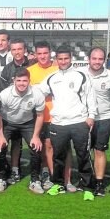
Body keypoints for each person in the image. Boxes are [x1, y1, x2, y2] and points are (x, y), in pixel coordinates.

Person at [37, 46, 97, 201]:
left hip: (79, 122)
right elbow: (38, 92)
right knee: (58, 156)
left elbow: (91, 97)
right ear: (56, 60)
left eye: (66, 58)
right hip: (58, 123)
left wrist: (91, 116)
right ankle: (58, 184)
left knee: (83, 155)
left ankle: (88, 187)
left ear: (71, 58)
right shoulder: (52, 77)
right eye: (60, 59)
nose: (63, 61)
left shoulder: (81, 75)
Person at [27, 41, 74, 192]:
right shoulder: (30, 71)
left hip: (59, 117)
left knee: (64, 149)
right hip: (40, 117)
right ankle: (51, 177)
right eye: (39, 53)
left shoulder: (58, 69)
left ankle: (67, 180)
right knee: (45, 147)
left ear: (50, 53)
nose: (42, 56)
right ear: (35, 54)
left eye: (45, 53)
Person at [0, 69, 45, 193]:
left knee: (36, 147)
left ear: (29, 81)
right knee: (0, 146)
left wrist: (36, 136)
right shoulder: (5, 94)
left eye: (25, 81)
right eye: (18, 80)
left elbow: (40, 116)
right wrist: (1, 135)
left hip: (27, 123)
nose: (21, 83)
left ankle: (35, 180)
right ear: (13, 80)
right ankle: (1, 178)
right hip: (8, 123)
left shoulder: (37, 94)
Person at [0, 38, 35, 185]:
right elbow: (1, 91)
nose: (17, 52)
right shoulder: (7, 69)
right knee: (7, 144)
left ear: (25, 50)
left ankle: (32, 172)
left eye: (20, 49)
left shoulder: (33, 64)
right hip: (10, 116)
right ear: (10, 51)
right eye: (14, 50)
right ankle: (9, 170)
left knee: (26, 144)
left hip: (28, 115)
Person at [79, 47, 110, 197]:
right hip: (83, 118)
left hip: (103, 118)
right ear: (89, 59)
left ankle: (99, 183)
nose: (97, 62)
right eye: (94, 58)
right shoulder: (80, 73)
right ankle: (85, 180)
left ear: (104, 60)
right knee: (83, 151)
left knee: (99, 150)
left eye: (100, 59)